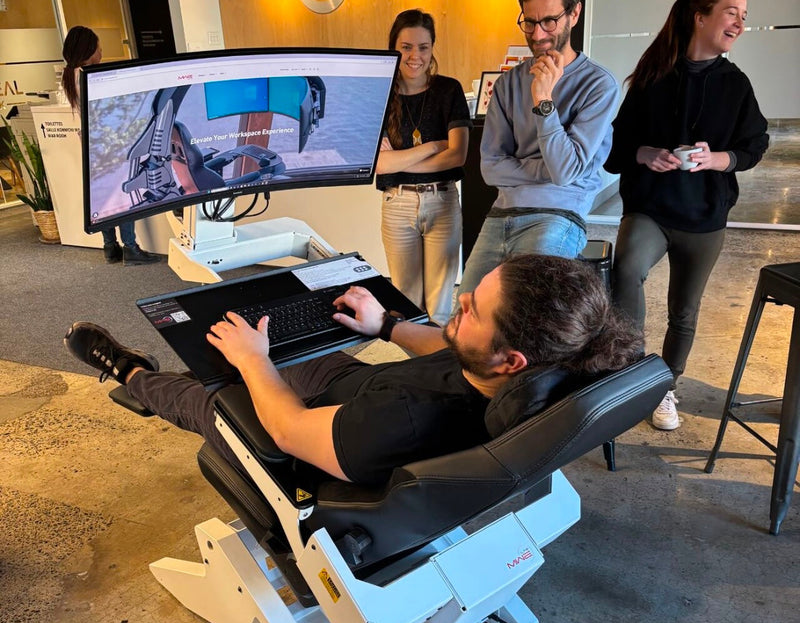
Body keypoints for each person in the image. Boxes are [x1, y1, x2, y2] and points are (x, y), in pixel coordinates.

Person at [64, 255, 641, 485]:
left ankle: (133, 375)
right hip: (357, 390)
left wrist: (254, 364)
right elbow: (448, 350)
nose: (456, 307)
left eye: (469, 311)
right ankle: (214, 371)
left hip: (316, 435)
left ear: (509, 359)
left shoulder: (407, 422)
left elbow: (289, 432)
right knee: (284, 354)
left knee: (214, 395)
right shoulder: (547, 364)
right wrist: (386, 326)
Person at [605, 0, 769, 431]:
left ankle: (664, 388)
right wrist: (644, 154)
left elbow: (755, 145)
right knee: (626, 271)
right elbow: (615, 145)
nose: (740, 22)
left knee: (684, 311)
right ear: (701, 17)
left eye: (743, 14)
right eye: (731, 12)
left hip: (705, 217)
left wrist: (719, 159)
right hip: (651, 208)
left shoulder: (736, 85)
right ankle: (631, 373)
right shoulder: (655, 76)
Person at [458, 0, 619, 297]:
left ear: (574, 14)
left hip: (558, 216)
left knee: (523, 316)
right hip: (501, 214)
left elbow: (564, 170)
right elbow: (490, 168)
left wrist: (544, 101)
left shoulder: (599, 85)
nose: (537, 34)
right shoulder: (507, 84)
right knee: (465, 316)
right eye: (529, 22)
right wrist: (547, 167)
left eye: (549, 21)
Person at [375, 9, 471, 325]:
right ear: (393, 47)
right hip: (397, 203)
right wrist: (432, 146)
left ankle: (437, 365)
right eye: (406, 47)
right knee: (404, 299)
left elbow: (457, 155)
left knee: (441, 303)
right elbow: (379, 164)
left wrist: (400, 160)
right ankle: (410, 366)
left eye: (424, 47)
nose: (415, 56)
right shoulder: (380, 96)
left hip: (442, 201)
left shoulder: (449, 90)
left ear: (432, 49)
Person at [61, 26, 159, 266]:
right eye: (98, 46)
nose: (101, 51)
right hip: (109, 144)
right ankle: (131, 248)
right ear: (89, 49)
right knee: (121, 197)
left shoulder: (71, 76)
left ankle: (110, 247)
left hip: (93, 146)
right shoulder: (91, 76)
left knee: (105, 196)